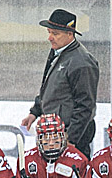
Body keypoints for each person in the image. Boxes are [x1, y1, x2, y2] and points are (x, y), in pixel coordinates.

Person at [20, 9, 100, 157]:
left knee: (73, 177)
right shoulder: (59, 51)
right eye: (49, 32)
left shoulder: (82, 62)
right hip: (54, 137)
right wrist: (35, 111)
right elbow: (50, 87)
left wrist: (71, 139)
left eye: (55, 33)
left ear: (70, 34)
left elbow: (85, 106)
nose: (50, 38)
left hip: (70, 139)